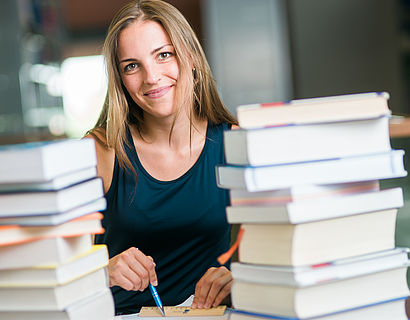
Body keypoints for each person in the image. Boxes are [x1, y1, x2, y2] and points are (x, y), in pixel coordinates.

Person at [86, 0, 238, 315]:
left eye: (163, 55)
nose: (151, 77)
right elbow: (46, 265)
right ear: (121, 80)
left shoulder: (237, 142)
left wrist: (240, 275)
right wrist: (101, 269)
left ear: (192, 57)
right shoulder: (101, 150)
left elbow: (280, 250)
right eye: (132, 65)